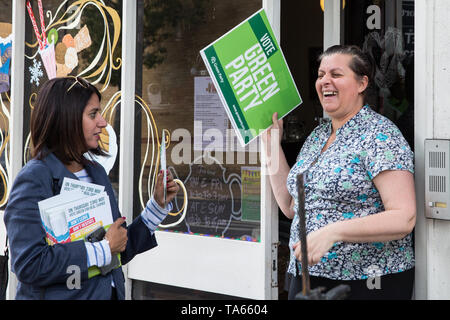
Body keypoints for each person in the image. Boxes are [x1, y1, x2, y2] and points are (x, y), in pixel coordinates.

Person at [3, 76, 179, 299]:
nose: (103, 122)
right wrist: (103, 249)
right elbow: (29, 264)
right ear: (67, 118)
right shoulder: (34, 179)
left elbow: (117, 247)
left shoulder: (96, 172)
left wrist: (157, 207)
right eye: (93, 114)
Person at [263, 45, 416, 300]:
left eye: (336, 74)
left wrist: (332, 233)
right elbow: (291, 206)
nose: (325, 81)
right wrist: (271, 147)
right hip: (306, 277)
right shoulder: (318, 135)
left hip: (365, 282)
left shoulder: (380, 135)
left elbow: (404, 218)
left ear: (361, 83)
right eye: (321, 74)